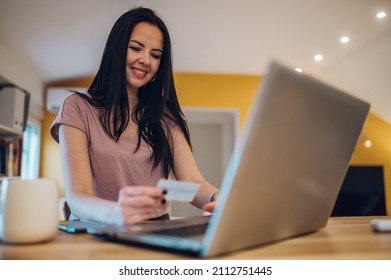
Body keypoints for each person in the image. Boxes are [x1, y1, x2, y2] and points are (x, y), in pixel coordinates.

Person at [50, 7, 219, 225]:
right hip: (97, 229)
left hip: (153, 229)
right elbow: (78, 196)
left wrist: (219, 199)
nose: (146, 60)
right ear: (117, 49)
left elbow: (192, 182)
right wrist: (117, 214)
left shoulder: (165, 117)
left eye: (155, 55)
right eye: (136, 48)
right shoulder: (77, 108)